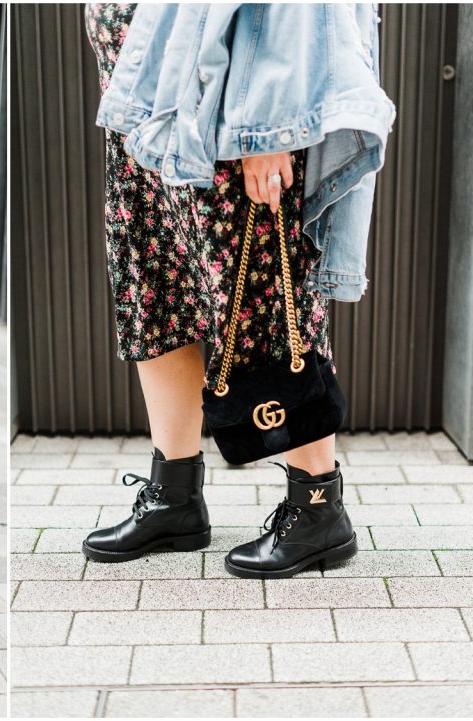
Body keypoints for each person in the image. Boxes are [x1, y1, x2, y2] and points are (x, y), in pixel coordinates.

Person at [81, 4, 394, 578]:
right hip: (147, 104)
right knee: (157, 292)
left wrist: (267, 126)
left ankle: (318, 507)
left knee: (268, 298)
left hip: (232, 102)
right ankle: (173, 496)